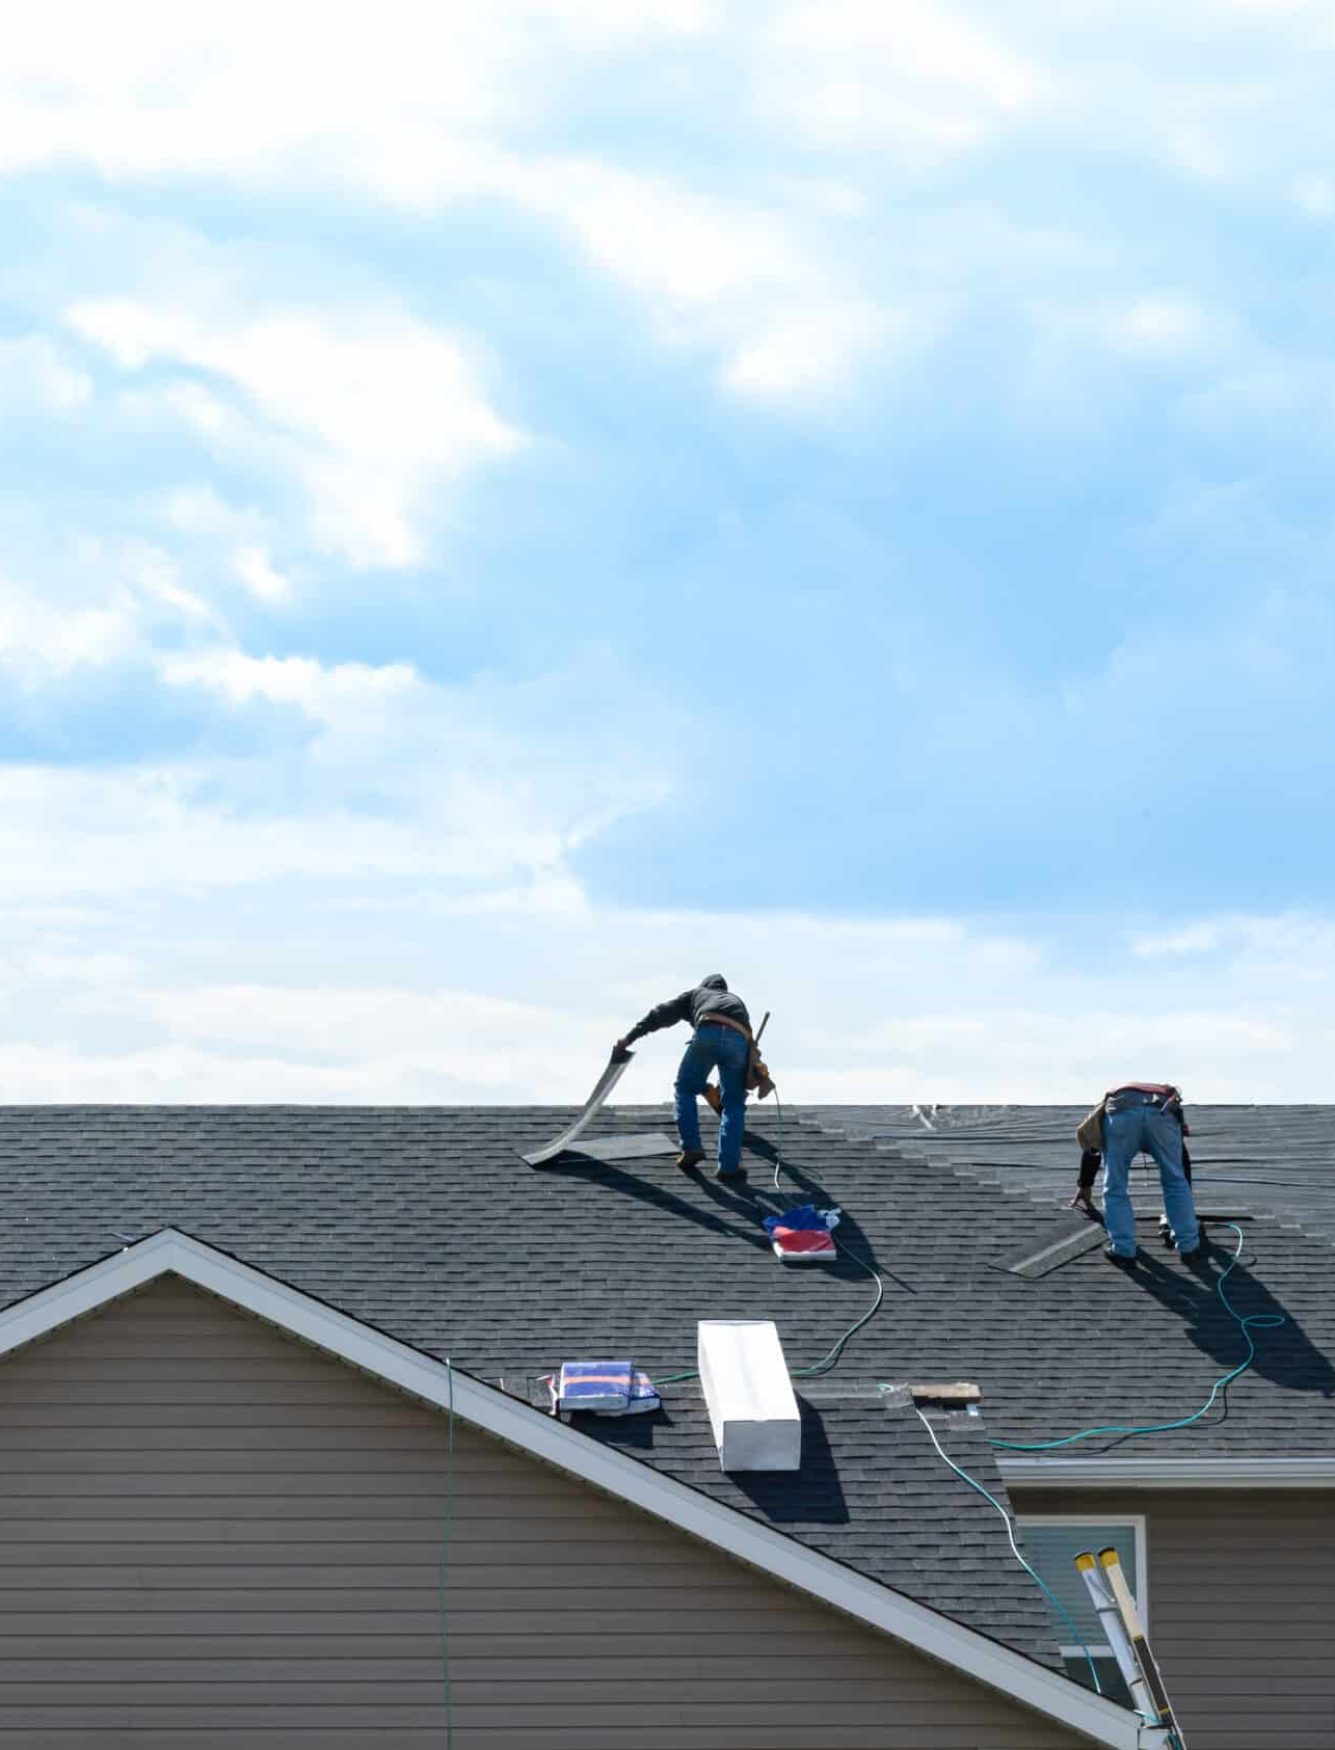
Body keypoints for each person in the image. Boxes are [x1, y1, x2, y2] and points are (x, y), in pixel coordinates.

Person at [616, 975, 754, 1181]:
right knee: (733, 1104)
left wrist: (629, 1038)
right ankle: (729, 1166)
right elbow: (747, 1046)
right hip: (739, 1040)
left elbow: (660, 1014)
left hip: (708, 1030)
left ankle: (691, 1147)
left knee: (685, 1089)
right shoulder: (736, 1002)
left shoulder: (696, 994)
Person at [1088, 1083, 1202, 1264]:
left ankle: (1123, 1249)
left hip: (1121, 1113)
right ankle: (1189, 1247)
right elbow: (1183, 1161)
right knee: (1175, 1180)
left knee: (1115, 1184)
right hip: (1162, 1113)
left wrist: (1084, 1185)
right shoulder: (1165, 1096)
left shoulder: (1113, 1098)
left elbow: (1091, 1146)